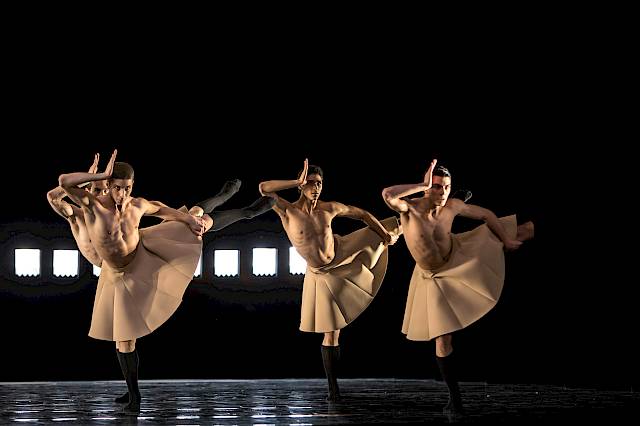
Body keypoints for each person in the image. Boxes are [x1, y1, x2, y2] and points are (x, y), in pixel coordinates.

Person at [58, 149, 205, 415]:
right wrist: (99, 175)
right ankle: (131, 390)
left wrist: (188, 219)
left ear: (133, 185)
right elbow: (64, 182)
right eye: (116, 188)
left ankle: (135, 398)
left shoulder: (136, 204)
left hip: (140, 263)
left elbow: (159, 208)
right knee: (123, 340)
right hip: (115, 274)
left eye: (127, 188)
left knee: (125, 340)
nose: (122, 194)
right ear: (108, 185)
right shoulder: (93, 206)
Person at [382, 159, 534, 415]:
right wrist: (422, 184)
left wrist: (507, 240)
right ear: (426, 188)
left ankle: (513, 232)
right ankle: (455, 399)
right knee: (443, 339)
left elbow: (486, 215)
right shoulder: (410, 208)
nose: (442, 192)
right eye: (437, 187)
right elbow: (388, 194)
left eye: (447, 187)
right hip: (433, 276)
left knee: (518, 231)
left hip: (457, 257)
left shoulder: (451, 206)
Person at [259, 159, 401, 401]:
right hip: (321, 273)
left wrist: (384, 235)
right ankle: (333, 389)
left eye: (319, 183)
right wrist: (295, 180)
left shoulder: (329, 208)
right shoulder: (287, 210)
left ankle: (412, 220)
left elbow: (362, 214)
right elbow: (264, 188)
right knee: (332, 333)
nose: (316, 187)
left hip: (341, 253)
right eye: (311, 183)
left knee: (387, 230)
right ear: (301, 185)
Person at [47, 153, 109, 267]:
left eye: (105, 191)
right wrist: (86, 178)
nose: (102, 195)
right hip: (97, 271)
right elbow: (53, 197)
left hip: (121, 272)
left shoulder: (114, 215)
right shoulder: (78, 216)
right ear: (87, 191)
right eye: (97, 190)